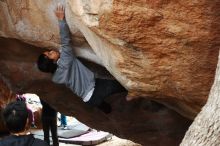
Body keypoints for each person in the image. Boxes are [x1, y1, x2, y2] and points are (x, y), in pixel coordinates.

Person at [37, 4, 127, 114]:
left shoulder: (56, 77)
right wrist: (61, 20)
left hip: (87, 99)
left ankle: (106, 109)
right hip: (95, 90)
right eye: (50, 54)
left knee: (103, 105)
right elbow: (66, 41)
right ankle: (137, 94)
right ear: (53, 61)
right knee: (121, 85)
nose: (51, 50)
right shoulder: (65, 62)